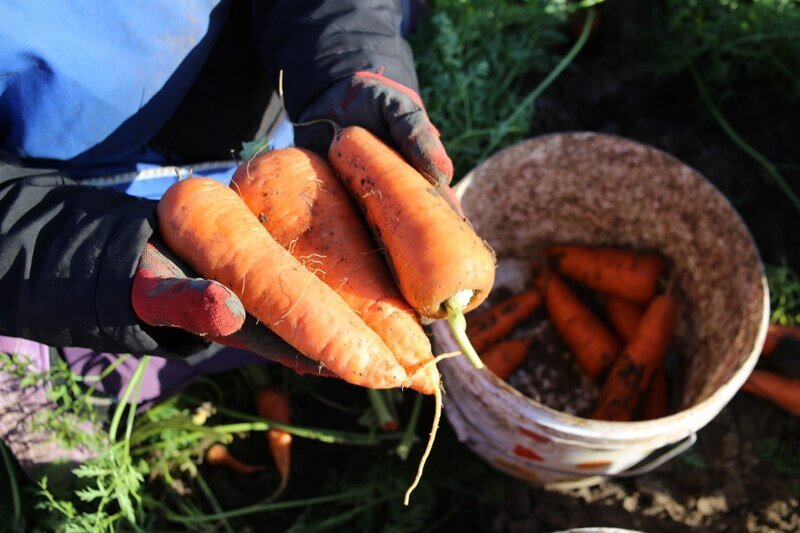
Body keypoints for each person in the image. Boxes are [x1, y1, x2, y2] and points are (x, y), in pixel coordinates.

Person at [0, 0, 453, 478]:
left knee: (254, 301)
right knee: (71, 392)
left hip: (265, 148)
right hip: (52, 233)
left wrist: (344, 58)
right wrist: (98, 263)